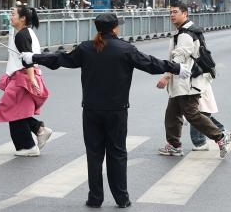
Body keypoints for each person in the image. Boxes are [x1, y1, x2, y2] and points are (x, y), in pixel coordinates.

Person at [27, 12, 190, 209]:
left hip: (91, 110)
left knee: (94, 155)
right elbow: (150, 64)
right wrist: (177, 68)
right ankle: (122, 199)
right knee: (117, 154)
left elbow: (60, 60)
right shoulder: (125, 49)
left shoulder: (86, 48)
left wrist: (33, 57)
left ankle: (95, 198)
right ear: (115, 28)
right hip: (116, 111)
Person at [157, 3, 231, 158]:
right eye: (170, 12)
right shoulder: (186, 31)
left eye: (175, 12)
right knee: (172, 115)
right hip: (182, 83)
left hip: (187, 84)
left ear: (185, 14)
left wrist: (166, 76)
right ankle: (174, 145)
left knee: (192, 115)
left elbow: (179, 57)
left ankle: (219, 135)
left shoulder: (186, 34)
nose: (172, 15)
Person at [0, 5, 53, 156]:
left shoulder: (22, 35)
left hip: (23, 78)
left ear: (22, 19)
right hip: (24, 76)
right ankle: (39, 130)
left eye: (13, 14)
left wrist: (31, 80)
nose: (10, 17)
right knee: (18, 110)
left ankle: (28, 146)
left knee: (13, 111)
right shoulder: (26, 32)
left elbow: (27, 58)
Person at [188, 73, 226, 151]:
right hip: (195, 86)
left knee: (196, 114)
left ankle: (200, 142)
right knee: (199, 113)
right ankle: (221, 131)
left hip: (197, 87)